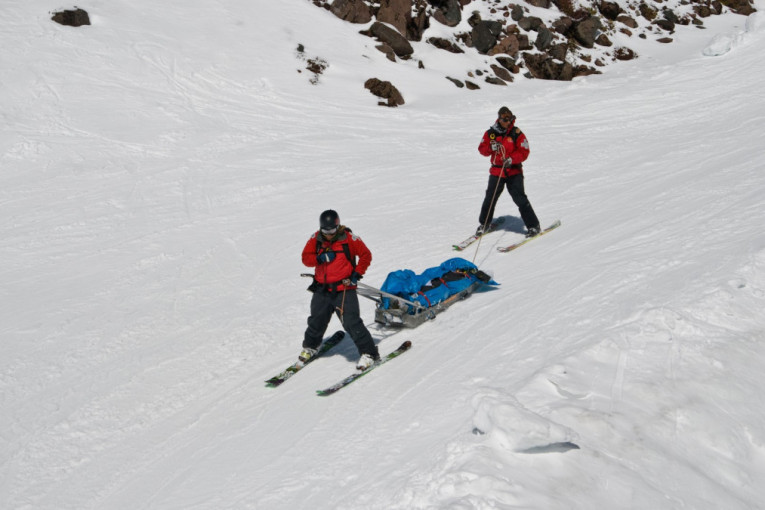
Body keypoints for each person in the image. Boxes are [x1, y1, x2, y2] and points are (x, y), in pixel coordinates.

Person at [300, 209, 380, 370]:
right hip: (322, 288)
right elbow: (305, 258)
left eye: (331, 230)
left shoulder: (349, 238)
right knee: (316, 319)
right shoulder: (316, 238)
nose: (328, 234)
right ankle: (311, 346)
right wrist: (318, 258)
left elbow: (366, 255)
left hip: (343, 288)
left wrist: (357, 273)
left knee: (351, 321)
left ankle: (370, 353)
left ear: (337, 227)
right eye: (325, 230)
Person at [476, 106, 541, 237]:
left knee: (520, 199)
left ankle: (533, 226)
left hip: (513, 171)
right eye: (505, 119)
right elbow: (482, 149)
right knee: (490, 198)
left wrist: (512, 159)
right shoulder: (491, 133)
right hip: (497, 171)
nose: (507, 122)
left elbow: (524, 151)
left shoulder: (516, 133)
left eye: (510, 119)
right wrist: (490, 147)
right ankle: (484, 224)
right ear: (499, 119)